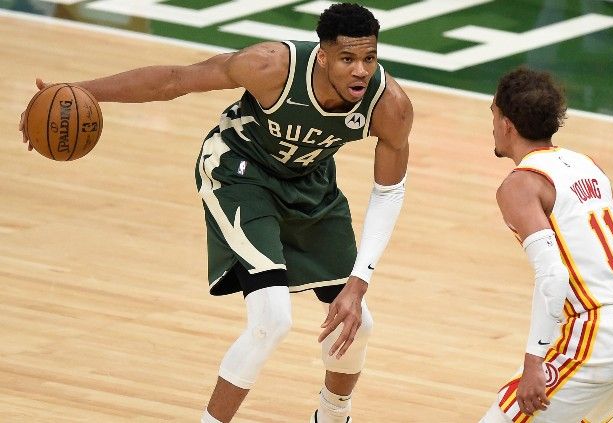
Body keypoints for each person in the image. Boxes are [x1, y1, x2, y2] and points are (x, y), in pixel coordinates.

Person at [19, 3, 412, 423]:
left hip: (309, 184)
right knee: (272, 319)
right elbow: (175, 81)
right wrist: (77, 90)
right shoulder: (270, 66)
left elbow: (388, 191)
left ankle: (333, 415)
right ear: (322, 55)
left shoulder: (389, 105)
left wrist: (359, 281)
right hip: (239, 172)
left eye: (369, 58)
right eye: (347, 59)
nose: (360, 71)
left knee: (358, 323)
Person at [478, 67, 613, 423]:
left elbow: (553, 275)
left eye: (494, 114)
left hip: (597, 335)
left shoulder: (520, 185)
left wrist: (535, 361)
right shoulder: (587, 166)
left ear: (507, 125)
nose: (494, 124)